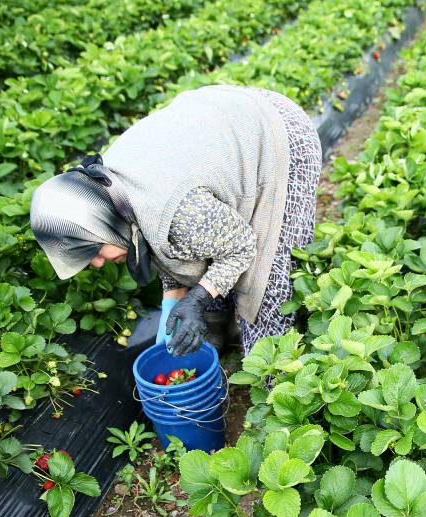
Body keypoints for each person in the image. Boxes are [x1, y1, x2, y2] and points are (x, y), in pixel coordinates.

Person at [29, 84, 321, 357]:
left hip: (277, 133)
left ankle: (273, 376)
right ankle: (220, 336)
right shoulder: (108, 192)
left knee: (267, 283)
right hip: (218, 128)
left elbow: (242, 245)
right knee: (208, 250)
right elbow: (161, 241)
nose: (96, 263)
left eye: (92, 251)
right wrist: (173, 304)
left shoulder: (178, 211)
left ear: (101, 222)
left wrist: (196, 299)